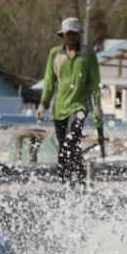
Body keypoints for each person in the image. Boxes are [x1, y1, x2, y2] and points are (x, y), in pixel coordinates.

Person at [37, 17, 102, 187]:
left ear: (79, 34)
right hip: (59, 109)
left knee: (69, 142)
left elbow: (94, 81)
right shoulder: (55, 54)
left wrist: (97, 106)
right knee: (69, 147)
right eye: (68, 33)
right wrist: (43, 103)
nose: (71, 36)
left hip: (80, 107)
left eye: (74, 33)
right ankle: (77, 181)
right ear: (63, 36)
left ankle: (66, 179)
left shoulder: (88, 54)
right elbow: (49, 81)